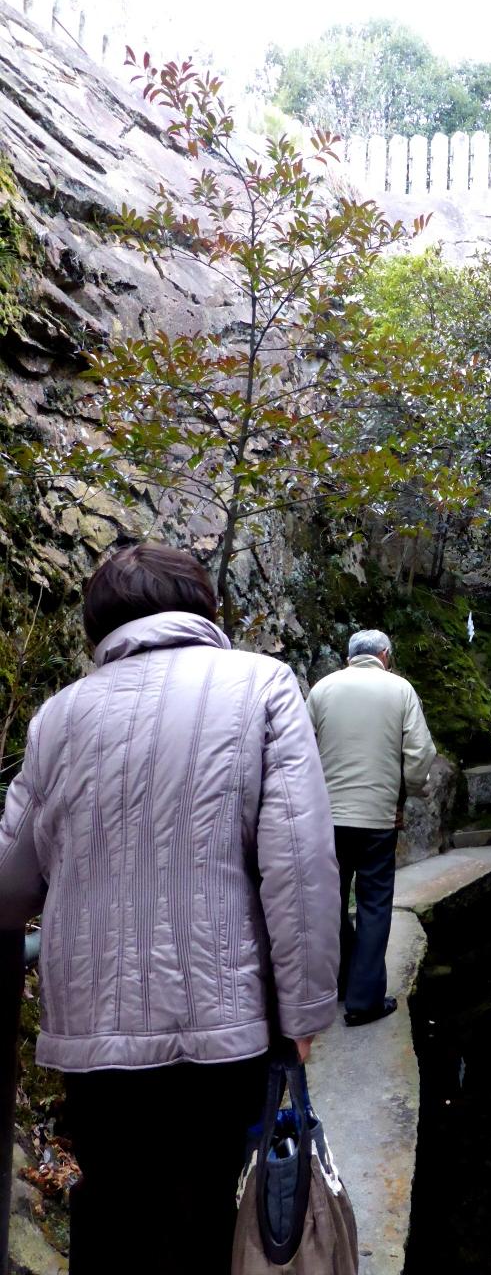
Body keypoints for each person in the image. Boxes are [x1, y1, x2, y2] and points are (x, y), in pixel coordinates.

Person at [0, 543, 341, 1275]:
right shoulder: (262, 685)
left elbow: (10, 883)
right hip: (221, 1022)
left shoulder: (57, 716)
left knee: (114, 1204)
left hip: (92, 1026)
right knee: (209, 1210)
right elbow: (300, 862)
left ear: (99, 624)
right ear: (203, 606)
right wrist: (305, 1013)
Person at [306, 630, 436, 1027]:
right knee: (373, 904)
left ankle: (336, 983)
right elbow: (420, 753)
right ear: (385, 654)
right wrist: (410, 792)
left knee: (330, 903)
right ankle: (363, 1001)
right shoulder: (400, 690)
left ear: (348, 657)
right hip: (379, 819)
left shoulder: (322, 689)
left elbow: (301, 749)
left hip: (327, 819)